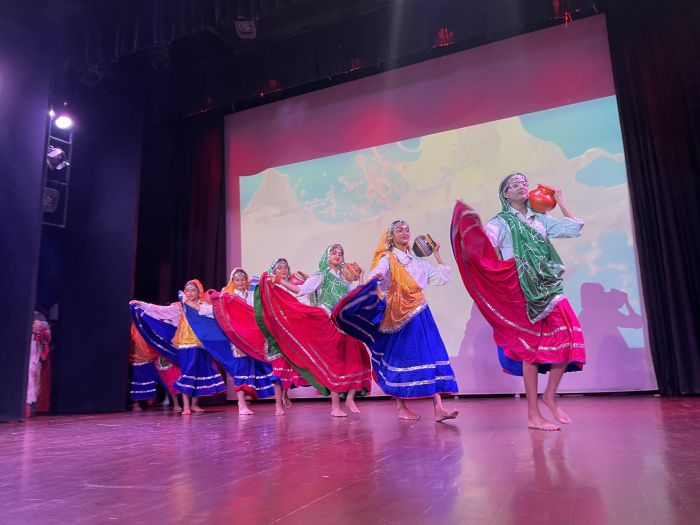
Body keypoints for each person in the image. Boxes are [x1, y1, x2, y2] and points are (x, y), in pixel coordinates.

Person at [450, 172, 586, 431]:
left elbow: (574, 229)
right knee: (531, 351)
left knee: (568, 337)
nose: (522, 186)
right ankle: (533, 414)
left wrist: (560, 200)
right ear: (505, 194)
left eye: (525, 183)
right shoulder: (500, 223)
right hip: (522, 289)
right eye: (515, 184)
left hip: (548, 284)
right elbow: (482, 246)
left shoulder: (540, 218)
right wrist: (469, 225)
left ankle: (550, 396)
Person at [335, 221, 460, 422]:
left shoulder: (417, 262)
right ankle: (401, 408)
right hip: (397, 316)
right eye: (400, 230)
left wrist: (437, 254)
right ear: (391, 236)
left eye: (407, 229)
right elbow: (377, 273)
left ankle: (439, 408)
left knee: (430, 356)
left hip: (420, 313)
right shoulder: (388, 258)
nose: (405, 232)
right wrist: (378, 275)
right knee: (400, 359)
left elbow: (442, 278)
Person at [264, 244, 372, 416]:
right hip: (327, 322)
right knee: (335, 363)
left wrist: (361, 278)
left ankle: (350, 398)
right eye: (334, 253)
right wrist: (279, 280)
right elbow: (301, 290)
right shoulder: (321, 275)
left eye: (340, 253)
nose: (337, 256)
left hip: (343, 324)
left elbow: (355, 296)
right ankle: (335, 407)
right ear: (327, 256)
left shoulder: (344, 278)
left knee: (359, 357)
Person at [130, 280, 227, 415]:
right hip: (185, 345)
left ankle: (194, 405)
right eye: (187, 290)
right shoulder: (180, 306)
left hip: (202, 345)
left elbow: (214, 320)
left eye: (193, 290)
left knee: (198, 373)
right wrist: (142, 304)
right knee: (187, 373)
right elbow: (160, 310)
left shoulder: (204, 306)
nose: (189, 293)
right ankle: (186, 406)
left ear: (199, 292)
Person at [208, 268, 284, 415]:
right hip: (238, 339)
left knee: (266, 365)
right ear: (233, 282)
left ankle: (278, 403)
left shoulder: (251, 295)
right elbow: (216, 310)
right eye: (237, 280)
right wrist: (199, 309)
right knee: (242, 368)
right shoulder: (228, 296)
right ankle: (241, 404)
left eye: (243, 279)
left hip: (255, 337)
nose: (240, 282)